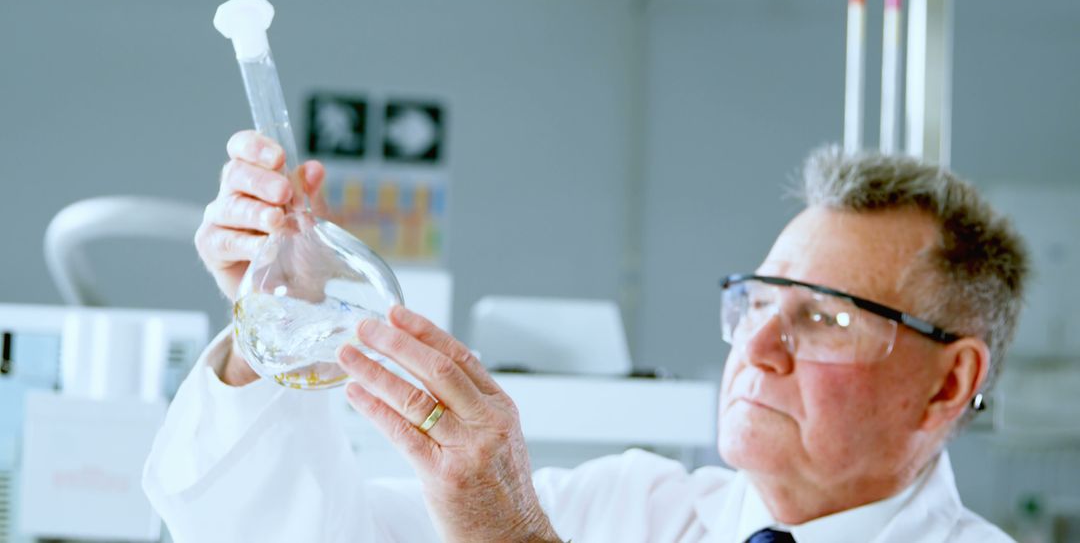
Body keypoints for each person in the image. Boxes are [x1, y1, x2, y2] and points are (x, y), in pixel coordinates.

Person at [143, 131, 1028, 542]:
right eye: (757, 302)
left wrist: (510, 540)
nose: (757, 348)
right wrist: (278, 321)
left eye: (826, 318)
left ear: (949, 383)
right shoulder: (633, 509)